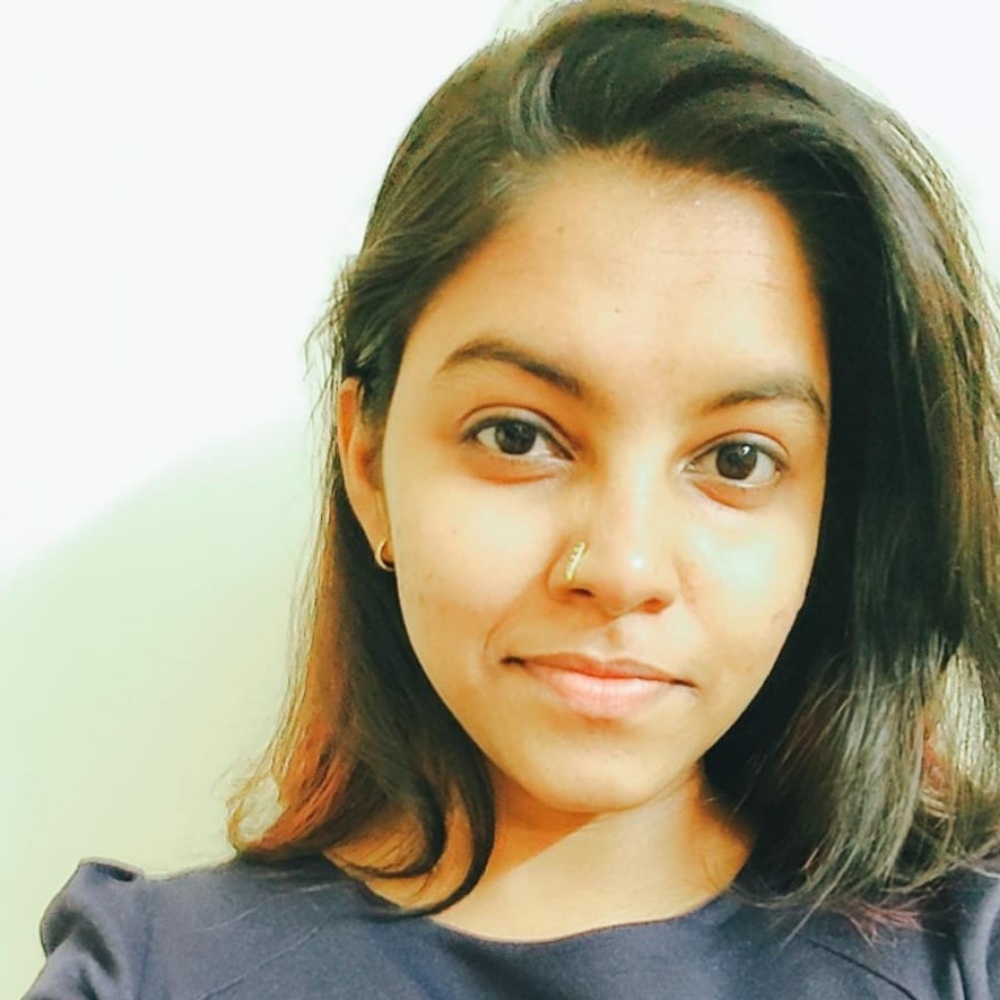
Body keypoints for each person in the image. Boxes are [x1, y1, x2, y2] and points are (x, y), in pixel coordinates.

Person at [25, 0, 1000, 996]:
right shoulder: (150, 974)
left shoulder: (962, 950)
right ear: (369, 460)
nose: (621, 568)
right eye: (518, 437)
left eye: (738, 460)